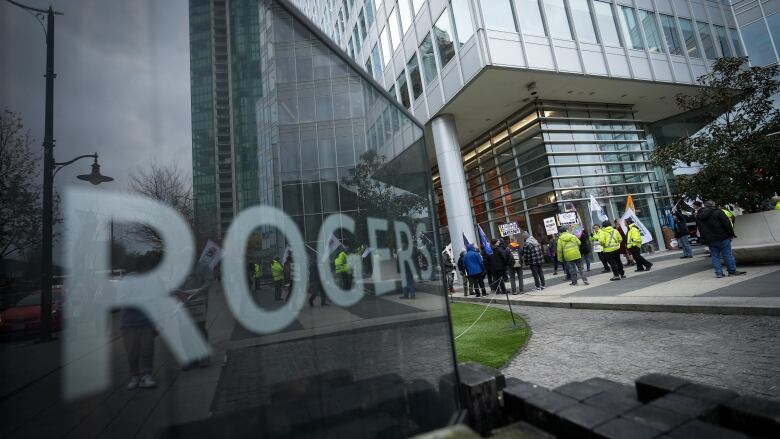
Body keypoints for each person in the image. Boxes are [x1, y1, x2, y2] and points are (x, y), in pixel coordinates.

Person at [696, 200, 746, 278]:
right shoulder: (718, 212)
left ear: (705, 206)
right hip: (722, 236)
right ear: (713, 205)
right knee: (727, 255)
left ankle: (719, 273)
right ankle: (732, 271)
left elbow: (700, 228)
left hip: (710, 239)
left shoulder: (699, 215)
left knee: (715, 256)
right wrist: (731, 234)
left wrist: (704, 239)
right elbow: (727, 224)